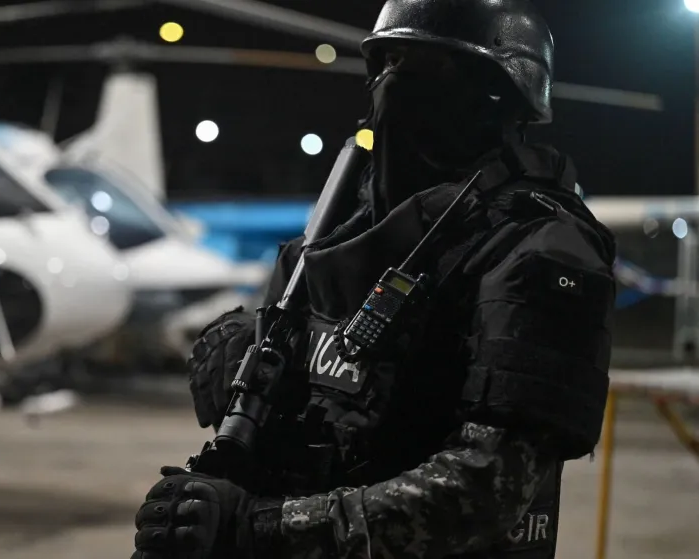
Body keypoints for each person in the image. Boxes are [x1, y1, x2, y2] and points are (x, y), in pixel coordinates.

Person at [131, 0, 617, 558]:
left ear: (498, 95)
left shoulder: (542, 250)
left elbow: (486, 489)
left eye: (425, 68)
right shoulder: (345, 229)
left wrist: (261, 527)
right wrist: (243, 346)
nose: (391, 86)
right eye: (386, 62)